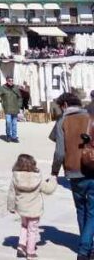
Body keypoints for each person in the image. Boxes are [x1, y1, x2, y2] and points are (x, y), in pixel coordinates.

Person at [54, 92, 94, 258]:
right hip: (91, 169)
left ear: (64, 105)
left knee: (81, 210)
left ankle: (85, 247)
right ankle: (86, 249)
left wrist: (54, 171)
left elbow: (59, 153)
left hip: (73, 171)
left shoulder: (62, 121)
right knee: (92, 211)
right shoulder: (90, 117)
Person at [7, 153, 57, 260]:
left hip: (22, 208)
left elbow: (11, 193)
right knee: (32, 229)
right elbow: (48, 190)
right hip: (34, 209)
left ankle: (21, 246)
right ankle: (30, 252)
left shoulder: (15, 177)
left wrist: (11, 207)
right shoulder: (37, 178)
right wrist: (53, 180)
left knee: (24, 226)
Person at [0, 77, 24, 143]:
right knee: (8, 122)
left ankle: (14, 137)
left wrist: (19, 105)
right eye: (9, 81)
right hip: (7, 108)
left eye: (12, 80)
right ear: (7, 81)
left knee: (14, 123)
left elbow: (20, 97)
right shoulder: (3, 88)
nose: (11, 82)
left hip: (15, 108)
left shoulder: (15, 88)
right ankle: (8, 136)